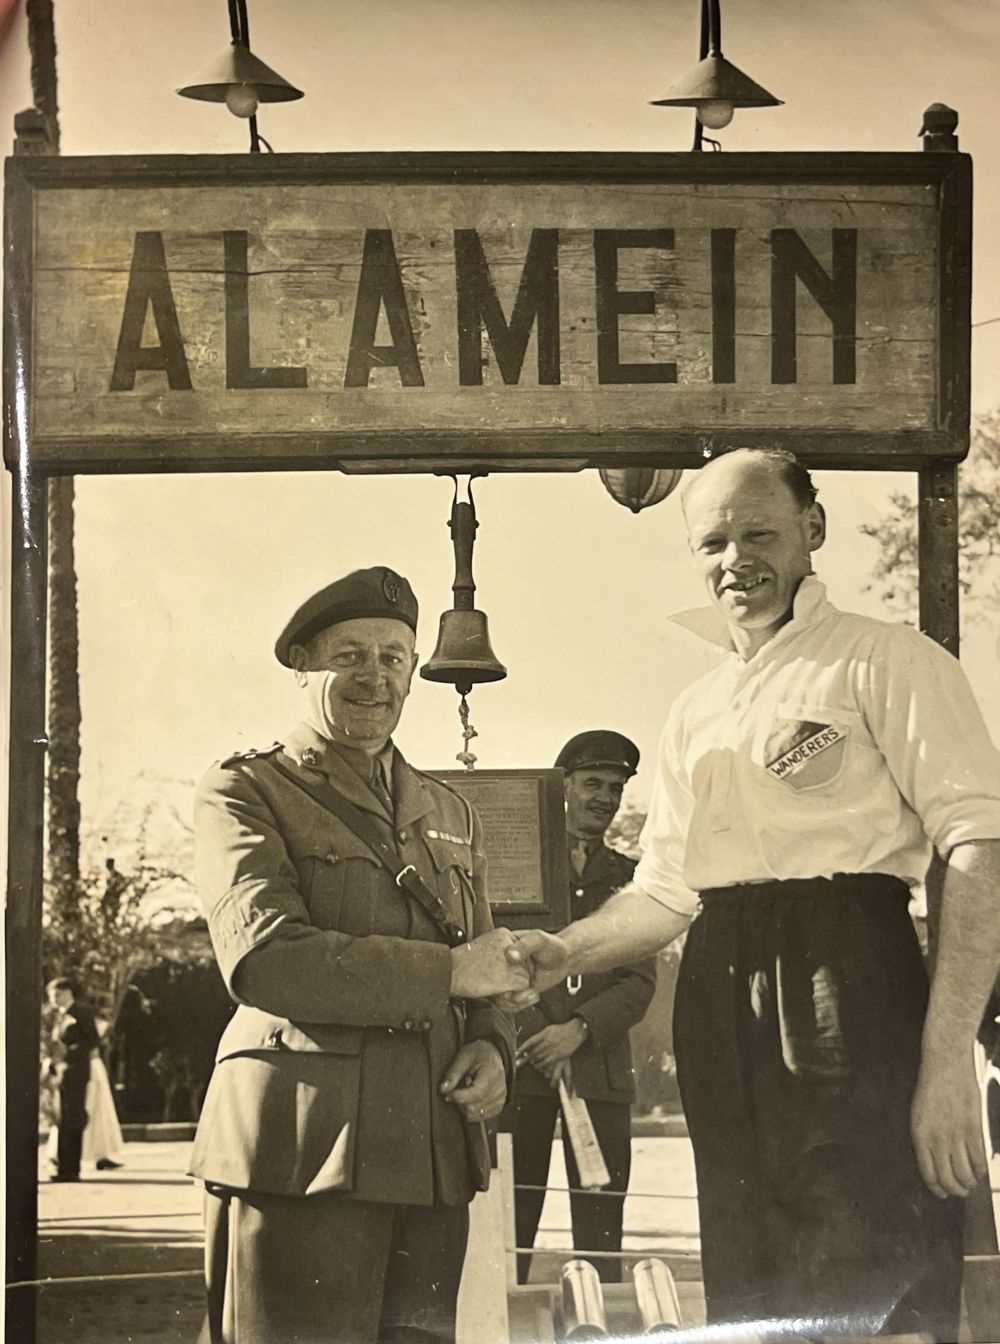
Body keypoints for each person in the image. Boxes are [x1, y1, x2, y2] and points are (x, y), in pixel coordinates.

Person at [509, 448, 1000, 1342]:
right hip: (721, 986)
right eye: (713, 542)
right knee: (749, 1267)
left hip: (849, 971)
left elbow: (978, 844)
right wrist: (564, 951)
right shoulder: (696, 707)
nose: (735, 558)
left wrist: (947, 1062)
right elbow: (664, 890)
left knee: (869, 1263)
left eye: (759, 533)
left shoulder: (886, 660)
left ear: (812, 531)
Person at [189, 565, 527, 1344]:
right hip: (305, 1151)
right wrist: (448, 975)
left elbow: (486, 965)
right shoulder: (247, 790)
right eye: (349, 655)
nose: (375, 676)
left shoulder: (449, 811)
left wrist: (493, 1044)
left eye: (394, 656)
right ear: (304, 666)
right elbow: (267, 957)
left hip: (433, 1151)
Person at [511, 730, 656, 1285]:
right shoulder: (515, 864)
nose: (604, 797)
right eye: (592, 783)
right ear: (563, 788)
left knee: (602, 1235)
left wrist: (578, 1030)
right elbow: (499, 961)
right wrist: (541, 1035)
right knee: (511, 1219)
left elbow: (639, 981)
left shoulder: (632, 878)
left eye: (615, 788)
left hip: (597, 1073)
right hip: (523, 1066)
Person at [44, 977, 100, 1183]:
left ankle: (70, 1169)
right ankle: (65, 1166)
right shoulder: (60, 1015)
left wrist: (68, 1054)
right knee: (63, 1119)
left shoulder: (81, 1012)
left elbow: (93, 1039)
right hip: (62, 1072)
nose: (54, 999)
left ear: (67, 992)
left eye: (57, 994)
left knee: (72, 1118)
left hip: (75, 1071)